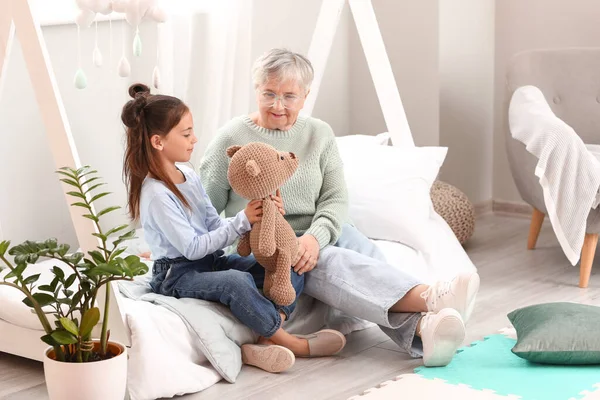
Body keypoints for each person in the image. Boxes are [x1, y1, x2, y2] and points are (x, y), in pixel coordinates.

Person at [199, 48, 481, 367]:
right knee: (333, 262)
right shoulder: (231, 138)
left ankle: (425, 326)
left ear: (305, 96)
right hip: (269, 243)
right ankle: (429, 303)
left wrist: (315, 238)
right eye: (269, 94)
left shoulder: (319, 134)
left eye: (289, 96)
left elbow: (335, 199)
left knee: (364, 255)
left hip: (324, 231)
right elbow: (204, 211)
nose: (278, 105)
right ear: (256, 90)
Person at [121, 83, 347, 374]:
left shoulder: (187, 175)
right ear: (158, 142)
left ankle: (264, 333)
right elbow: (191, 248)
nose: (194, 139)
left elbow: (213, 223)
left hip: (210, 262)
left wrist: (260, 220)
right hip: (177, 274)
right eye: (186, 133)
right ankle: (290, 341)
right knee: (235, 283)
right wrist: (242, 219)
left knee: (286, 261)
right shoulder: (156, 194)